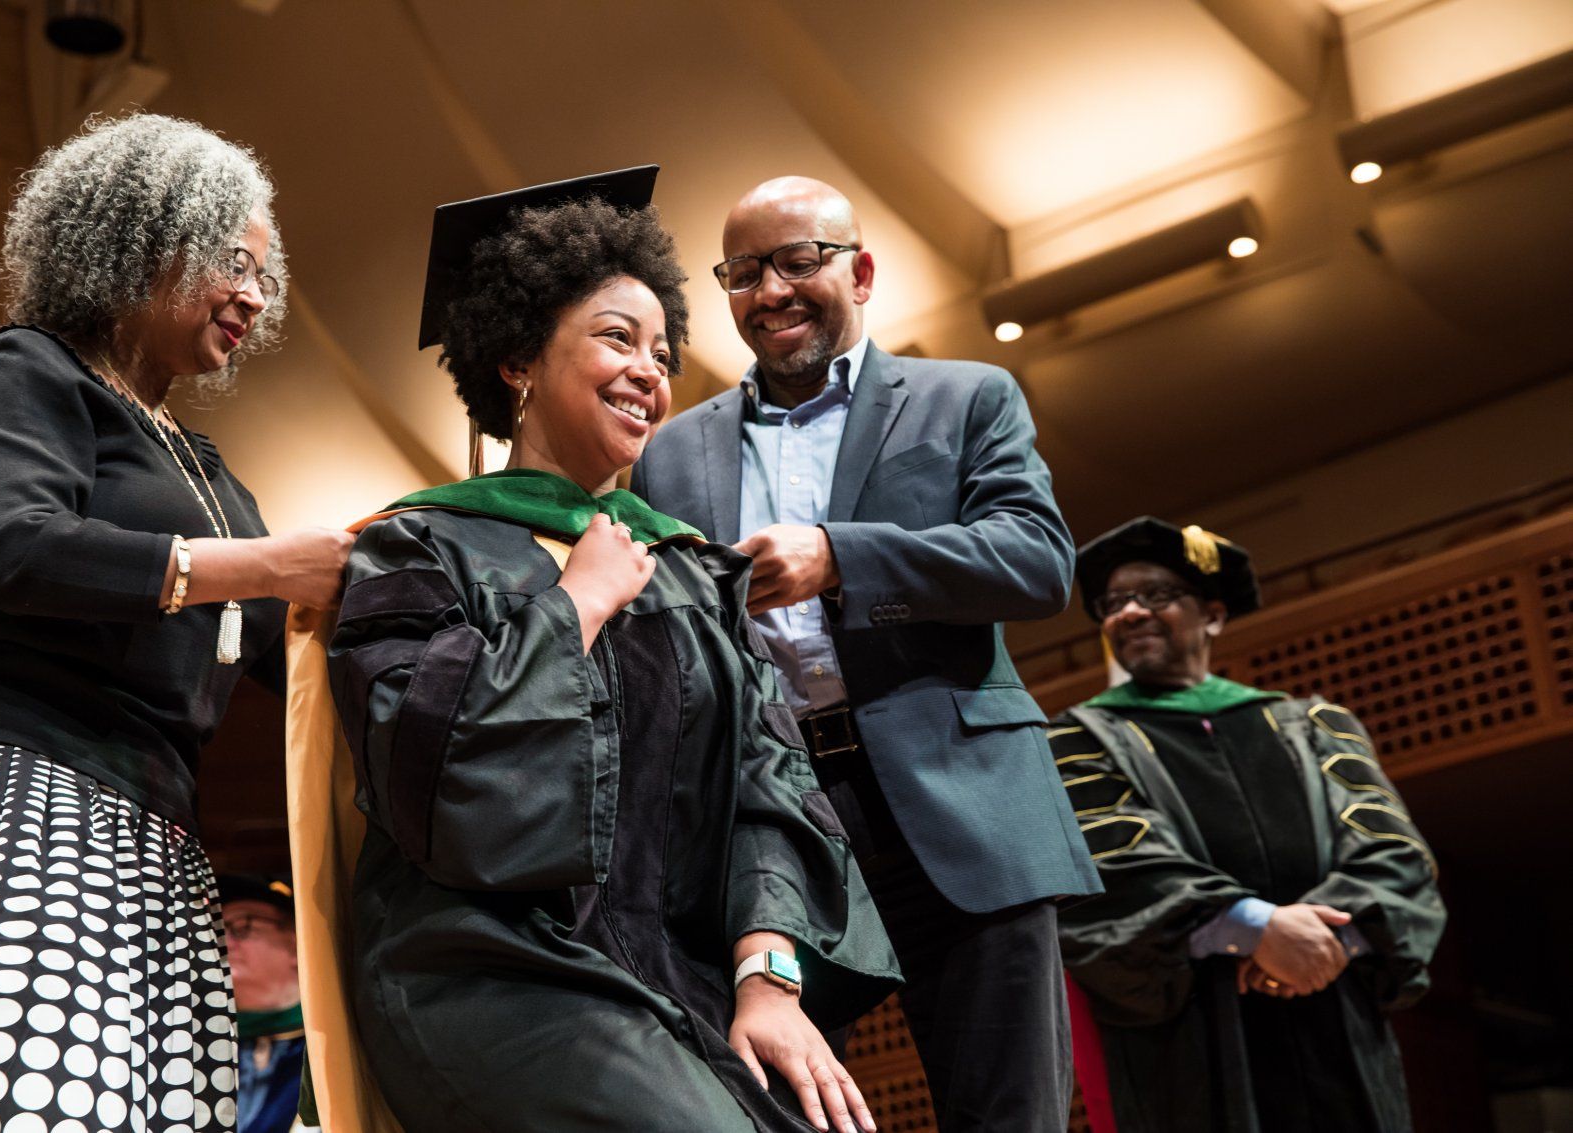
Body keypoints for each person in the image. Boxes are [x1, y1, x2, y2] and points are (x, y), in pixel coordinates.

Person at [315, 167, 898, 1133]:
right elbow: (439, 775)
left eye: (663, 352)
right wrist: (575, 603)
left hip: (678, 973)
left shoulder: (684, 569)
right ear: (517, 360)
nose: (650, 373)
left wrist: (769, 979)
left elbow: (769, 782)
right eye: (617, 339)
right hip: (496, 968)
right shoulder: (415, 547)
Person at [0, 113, 352, 1130]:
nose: (255, 296)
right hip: (7, 789)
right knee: (2, 1090)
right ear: (142, 238)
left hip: (152, 833)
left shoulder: (207, 468)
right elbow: (23, 550)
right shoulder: (31, 370)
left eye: (264, 275)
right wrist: (263, 564)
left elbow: (300, 649)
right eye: (233, 260)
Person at [633, 176, 1102, 1132]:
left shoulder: (966, 395)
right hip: (776, 824)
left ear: (863, 269)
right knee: (789, 1112)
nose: (771, 291)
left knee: (1012, 1112)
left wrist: (842, 556)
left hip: (964, 803)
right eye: (744, 272)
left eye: (799, 261)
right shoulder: (668, 455)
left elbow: (1038, 563)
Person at [1049, 516, 1447, 1133]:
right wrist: (1255, 929)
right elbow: (1112, 867)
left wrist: (1317, 942)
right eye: (1114, 602)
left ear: (1211, 614)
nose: (1129, 613)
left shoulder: (1313, 725)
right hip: (1190, 1035)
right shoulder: (1075, 740)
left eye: (1154, 595)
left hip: (1334, 1011)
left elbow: (1393, 853)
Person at [220, 875, 309, 1133]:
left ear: (296, 940)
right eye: (213, 927)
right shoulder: (186, 1041)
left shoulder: (342, 1043)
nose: (221, 940)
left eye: (240, 925)